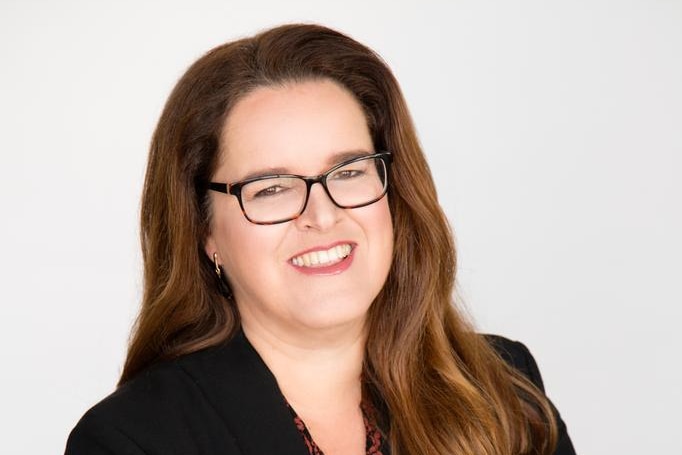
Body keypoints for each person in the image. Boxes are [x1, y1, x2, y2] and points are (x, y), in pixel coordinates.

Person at [65, 24, 576, 455]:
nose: (323, 214)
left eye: (350, 171)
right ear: (204, 232)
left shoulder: (503, 392)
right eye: (270, 189)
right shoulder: (136, 440)